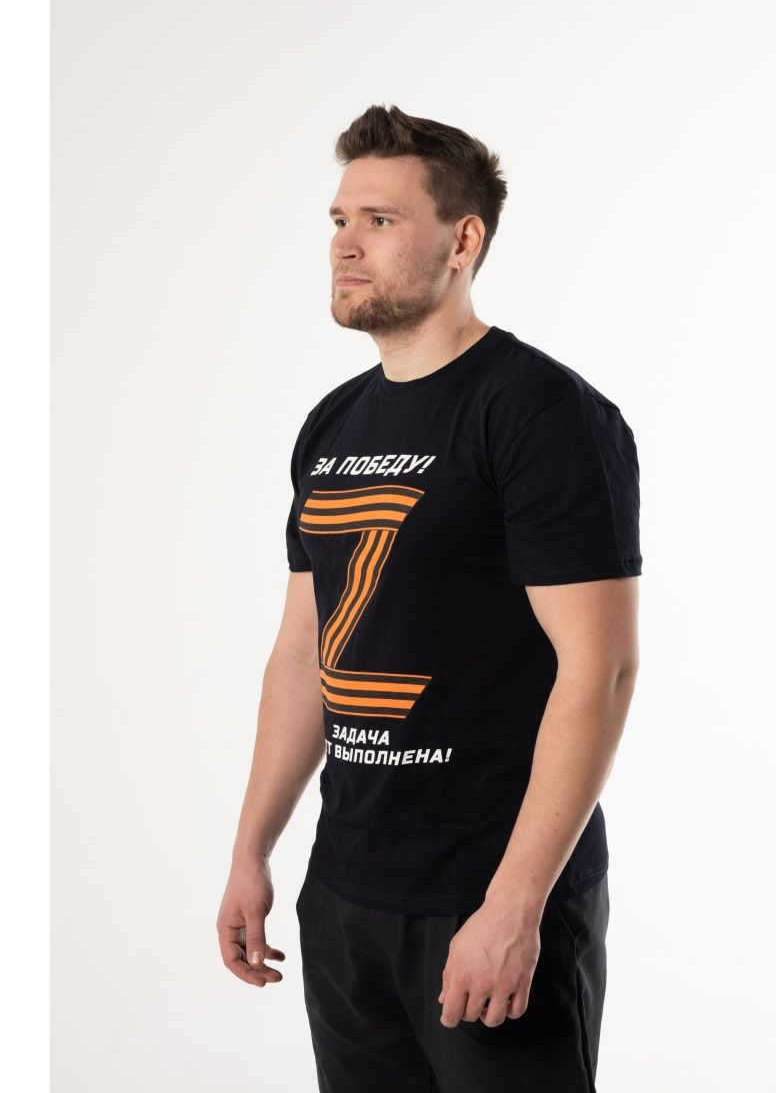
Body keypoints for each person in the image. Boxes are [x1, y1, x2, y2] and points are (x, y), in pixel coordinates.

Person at [216, 104, 642, 1092]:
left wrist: (516, 905)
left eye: (380, 220)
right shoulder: (332, 425)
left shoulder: (540, 412)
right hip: (347, 892)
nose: (345, 245)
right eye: (339, 220)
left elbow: (602, 670)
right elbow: (303, 652)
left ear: (462, 240)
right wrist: (251, 849)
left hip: (488, 896)